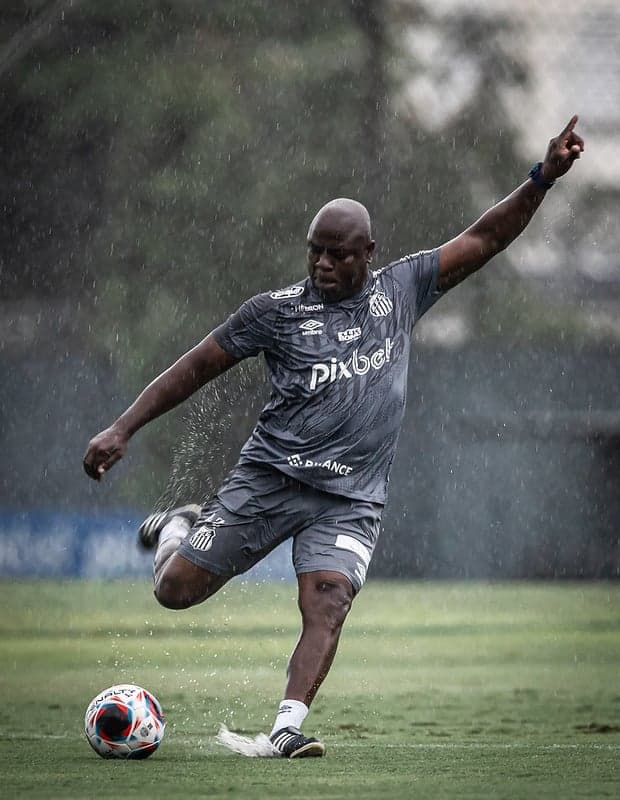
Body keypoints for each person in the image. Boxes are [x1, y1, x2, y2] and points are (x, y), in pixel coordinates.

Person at [83, 116, 584, 758]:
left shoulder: (402, 290)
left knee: (328, 602)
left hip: (350, 499)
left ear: (368, 253)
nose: (322, 262)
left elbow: (485, 237)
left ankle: (285, 728)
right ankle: (180, 528)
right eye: (314, 250)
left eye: (338, 253)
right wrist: (123, 427)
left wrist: (542, 178)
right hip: (270, 479)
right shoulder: (275, 312)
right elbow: (196, 366)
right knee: (174, 593)